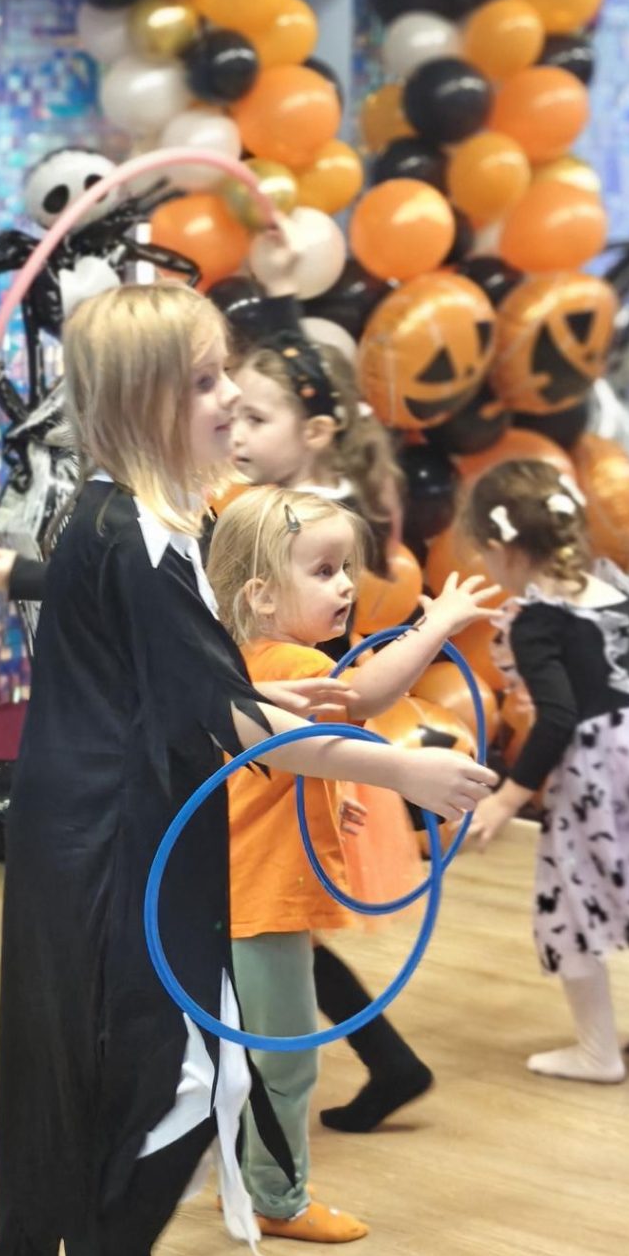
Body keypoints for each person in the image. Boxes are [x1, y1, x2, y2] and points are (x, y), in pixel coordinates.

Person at [0, 285, 493, 1256]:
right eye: (208, 381)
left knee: (90, 1047)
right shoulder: (136, 539)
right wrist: (401, 773)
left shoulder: (139, 519)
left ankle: (29, 1250)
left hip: (112, 822)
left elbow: (181, 687)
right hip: (116, 840)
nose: (231, 399)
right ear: (146, 401)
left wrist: (260, 692)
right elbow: (233, 726)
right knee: (187, 1072)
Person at [205, 489, 491, 1241]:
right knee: (286, 1061)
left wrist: (325, 804)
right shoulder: (295, 664)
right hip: (262, 898)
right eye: (324, 571)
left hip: (231, 891)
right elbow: (363, 696)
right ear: (262, 595)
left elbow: (268, 774)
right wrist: (435, 626)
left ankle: (240, 1178)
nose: (345, 586)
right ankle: (278, 1200)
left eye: (346, 569)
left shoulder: (231, 666)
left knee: (239, 1049)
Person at [227, 302, 443, 1134]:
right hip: (293, 747)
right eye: (234, 414)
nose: (237, 432)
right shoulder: (289, 508)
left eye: (257, 418)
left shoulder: (303, 525)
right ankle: (389, 1060)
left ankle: (273, 1108)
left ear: (314, 431)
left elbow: (347, 690)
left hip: (301, 743)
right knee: (281, 935)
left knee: (272, 926)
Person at [464, 457, 629, 1081]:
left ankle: (596, 1051)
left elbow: (557, 717)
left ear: (502, 549)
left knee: (570, 899)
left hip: (604, 775)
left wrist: (506, 799)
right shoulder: (611, 588)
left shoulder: (536, 620)